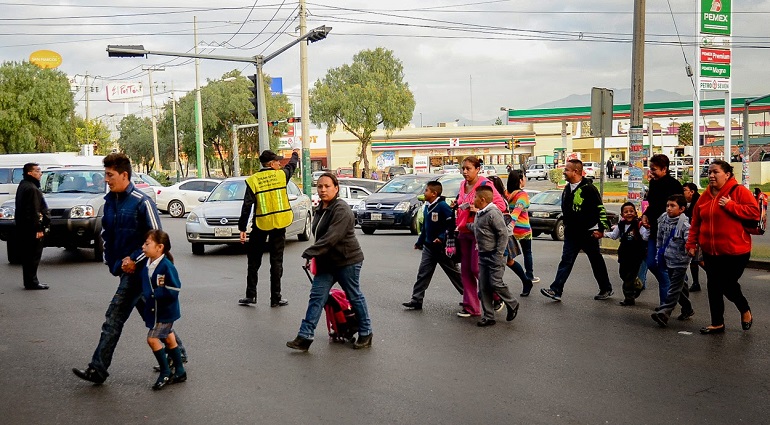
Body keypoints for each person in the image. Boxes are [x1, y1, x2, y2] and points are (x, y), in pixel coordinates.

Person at [73, 153, 186, 385]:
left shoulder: (142, 201)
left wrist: (135, 259)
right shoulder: (109, 203)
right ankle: (178, 355)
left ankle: (98, 369)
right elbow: (107, 236)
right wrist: (113, 263)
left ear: (124, 175)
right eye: (105, 175)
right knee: (154, 316)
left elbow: (158, 239)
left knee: (113, 319)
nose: (106, 179)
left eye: (110, 175)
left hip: (142, 272)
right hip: (125, 271)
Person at [286, 173, 373, 351]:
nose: (323, 190)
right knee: (317, 297)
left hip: (347, 261)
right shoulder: (321, 208)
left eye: (327, 186)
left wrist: (311, 252)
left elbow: (332, 237)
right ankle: (305, 336)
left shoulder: (341, 209)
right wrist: (314, 256)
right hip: (326, 262)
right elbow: (320, 237)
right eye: (319, 186)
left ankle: (366, 332)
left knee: (354, 296)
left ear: (336, 188)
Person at [686, 160, 760, 335]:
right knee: (714, 286)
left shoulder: (738, 191)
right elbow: (696, 221)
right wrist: (691, 243)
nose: (711, 175)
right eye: (709, 172)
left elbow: (754, 212)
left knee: (727, 283)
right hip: (711, 251)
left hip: (736, 250)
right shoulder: (704, 196)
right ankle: (717, 323)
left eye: (716, 172)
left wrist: (730, 205)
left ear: (727, 174)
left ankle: (744, 308)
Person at [540, 159, 613, 301]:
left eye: (567, 170)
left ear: (576, 172)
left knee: (595, 260)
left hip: (588, 232)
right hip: (572, 233)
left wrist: (601, 229)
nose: (564, 172)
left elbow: (600, 209)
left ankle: (606, 288)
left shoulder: (589, 189)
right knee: (566, 260)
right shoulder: (567, 189)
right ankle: (556, 290)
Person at [238, 149, 299, 307]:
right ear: (271, 164)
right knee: (276, 262)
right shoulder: (281, 175)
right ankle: (275, 298)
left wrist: (242, 228)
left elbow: (247, 206)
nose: (280, 163)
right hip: (279, 224)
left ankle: (251, 295)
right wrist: (295, 154)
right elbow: (292, 165)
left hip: (261, 224)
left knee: (253, 261)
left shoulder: (254, 180)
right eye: (277, 161)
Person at [452, 156, 507, 318]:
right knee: (466, 270)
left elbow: (500, 205)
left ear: (478, 169)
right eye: (463, 168)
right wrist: (457, 205)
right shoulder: (463, 185)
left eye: (468, 168)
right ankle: (471, 307)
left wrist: (480, 209)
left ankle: (497, 295)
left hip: (480, 232)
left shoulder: (484, 184)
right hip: (463, 230)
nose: (465, 172)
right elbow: (462, 201)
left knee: (477, 268)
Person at [402, 181, 463, 310]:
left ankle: (469, 297)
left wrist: (441, 237)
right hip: (429, 247)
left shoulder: (442, 206)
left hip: (442, 248)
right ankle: (416, 299)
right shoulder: (427, 207)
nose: (424, 193)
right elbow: (425, 227)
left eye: (426, 191)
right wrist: (419, 242)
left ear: (434, 193)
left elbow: (450, 224)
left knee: (455, 275)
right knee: (423, 273)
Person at [466, 185, 519, 327]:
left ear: (482, 199)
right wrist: (465, 226)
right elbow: (480, 228)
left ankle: (512, 303)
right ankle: (489, 316)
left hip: (495, 255)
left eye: (475, 197)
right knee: (484, 286)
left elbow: (503, 234)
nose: (473, 199)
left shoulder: (493, 213)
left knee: (496, 282)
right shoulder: (480, 213)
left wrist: (499, 254)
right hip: (483, 255)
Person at [140, 229, 186, 390]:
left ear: (159, 247)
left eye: (147, 244)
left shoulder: (166, 266)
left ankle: (166, 371)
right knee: (168, 337)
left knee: (152, 339)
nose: (143, 247)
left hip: (165, 311)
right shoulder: (148, 263)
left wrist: (154, 295)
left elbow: (174, 289)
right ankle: (180, 371)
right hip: (155, 311)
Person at [640, 154, 683, 304]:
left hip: (670, 234)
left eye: (654, 169)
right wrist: (645, 215)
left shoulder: (674, 185)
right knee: (652, 263)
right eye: (650, 169)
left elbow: (679, 209)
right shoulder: (653, 184)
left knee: (667, 269)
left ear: (664, 169)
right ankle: (675, 291)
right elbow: (653, 205)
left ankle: (666, 306)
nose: (651, 172)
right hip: (655, 231)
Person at [651, 195, 694, 327]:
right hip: (667, 259)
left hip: (681, 261)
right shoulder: (663, 219)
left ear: (681, 209)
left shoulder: (685, 225)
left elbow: (690, 241)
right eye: (667, 205)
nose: (669, 209)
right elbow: (660, 238)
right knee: (680, 287)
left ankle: (665, 312)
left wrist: (690, 248)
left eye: (672, 206)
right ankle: (687, 308)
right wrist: (658, 254)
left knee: (674, 287)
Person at [604, 202, 648, 306]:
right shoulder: (621, 225)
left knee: (629, 277)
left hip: (636, 255)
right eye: (626, 212)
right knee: (623, 274)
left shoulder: (638, 225)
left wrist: (648, 228)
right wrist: (603, 234)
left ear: (636, 213)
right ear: (622, 214)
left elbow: (645, 236)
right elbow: (614, 235)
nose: (629, 213)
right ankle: (638, 285)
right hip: (624, 255)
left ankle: (629, 298)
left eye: (631, 211)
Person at [15, 162, 50, 290]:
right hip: (31, 229)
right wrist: (39, 228)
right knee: (33, 256)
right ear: (30, 173)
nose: (40, 173)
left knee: (27, 255)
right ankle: (32, 282)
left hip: (23, 227)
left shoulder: (23, 185)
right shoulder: (32, 189)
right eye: (38, 170)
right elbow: (35, 211)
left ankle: (29, 281)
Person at [506, 170, 540, 293]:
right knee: (527, 252)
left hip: (510, 230)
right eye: (524, 177)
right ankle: (529, 275)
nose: (525, 179)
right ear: (520, 180)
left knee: (508, 257)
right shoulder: (522, 195)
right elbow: (518, 209)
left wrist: (509, 225)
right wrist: (512, 223)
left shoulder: (507, 194)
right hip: (523, 229)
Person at [682, 182, 704, 292]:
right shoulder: (686, 204)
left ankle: (717, 276)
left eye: (685, 190)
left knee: (697, 259)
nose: (683, 192)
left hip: (699, 234)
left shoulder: (699, 202)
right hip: (691, 234)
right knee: (694, 260)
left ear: (692, 192)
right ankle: (696, 283)